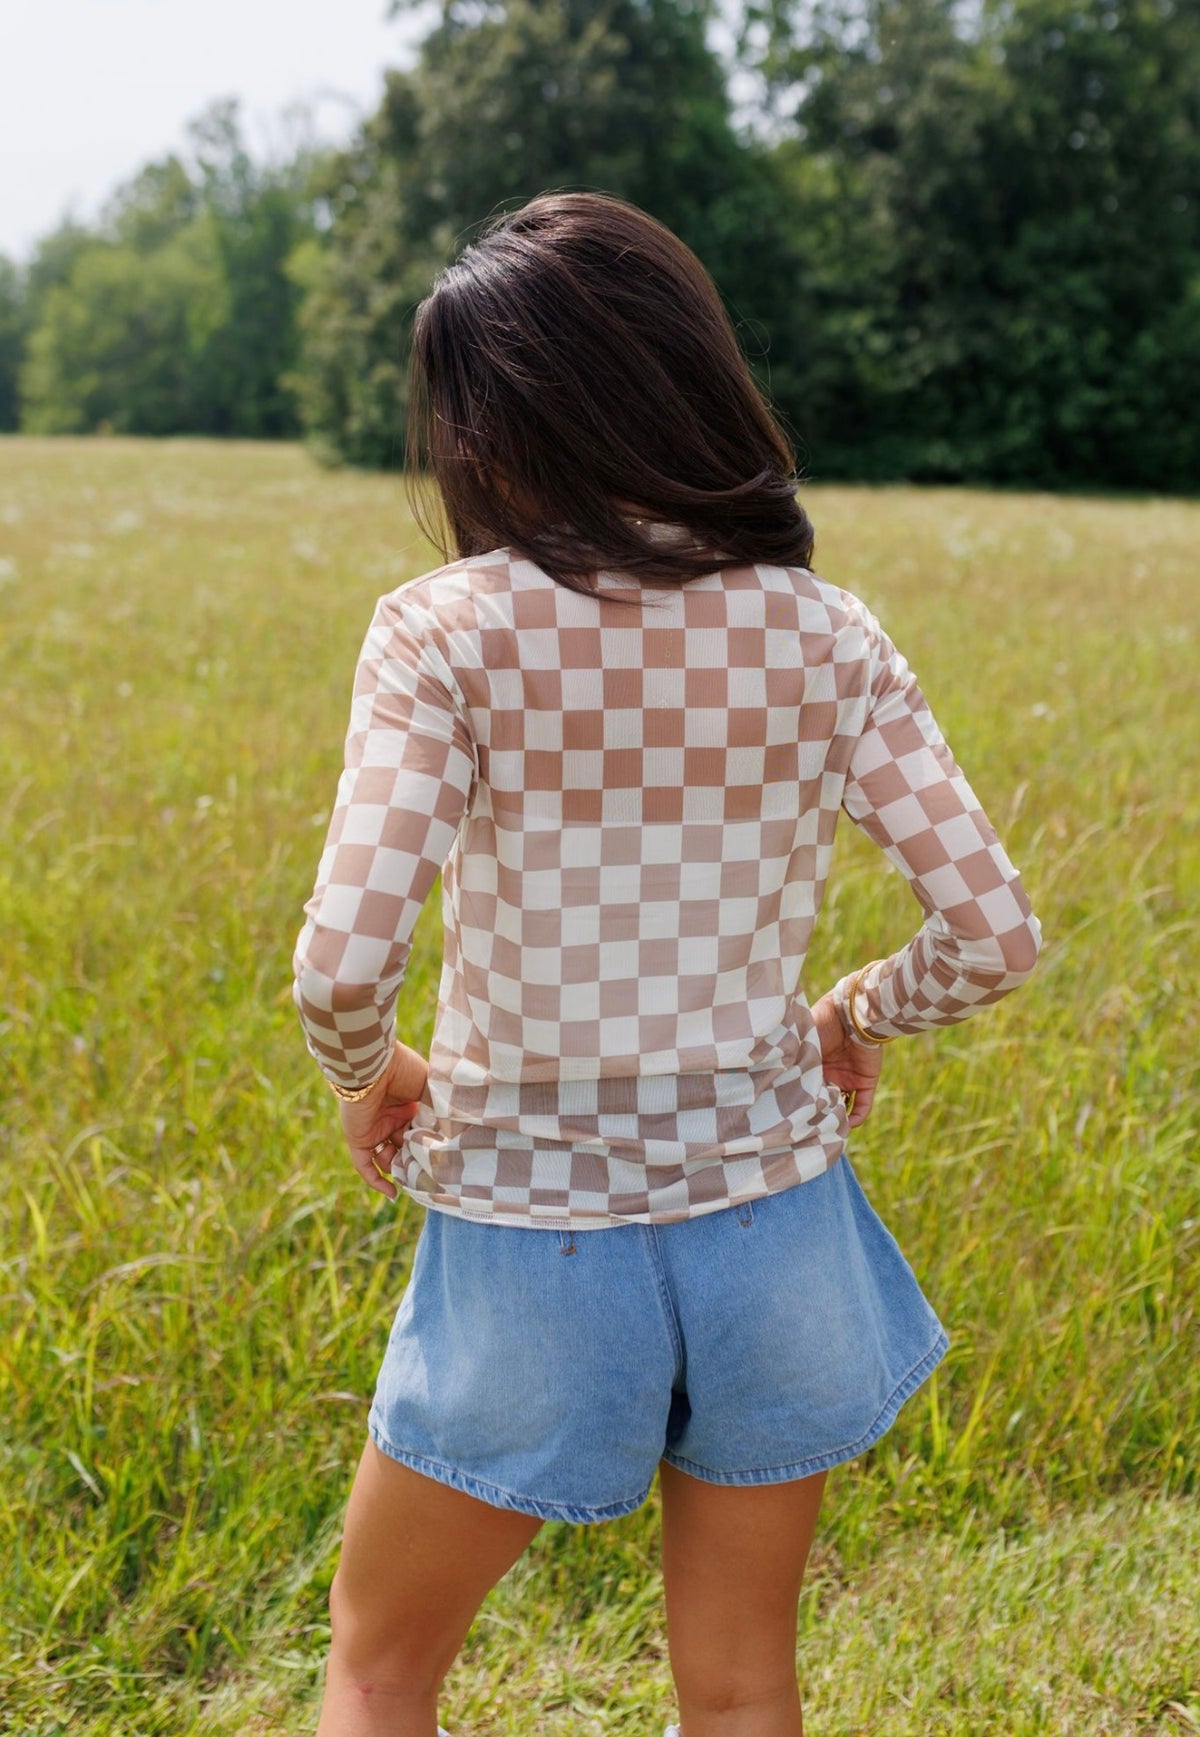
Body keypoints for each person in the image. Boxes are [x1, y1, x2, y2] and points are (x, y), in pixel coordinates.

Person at [292, 191, 1041, 1737]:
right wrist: (855, 1008)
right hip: (776, 1228)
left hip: (531, 1232)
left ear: (495, 425)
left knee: (379, 1665)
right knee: (745, 1681)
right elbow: (994, 933)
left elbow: (342, 962)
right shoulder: (826, 635)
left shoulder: (444, 634)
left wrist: (374, 1074)